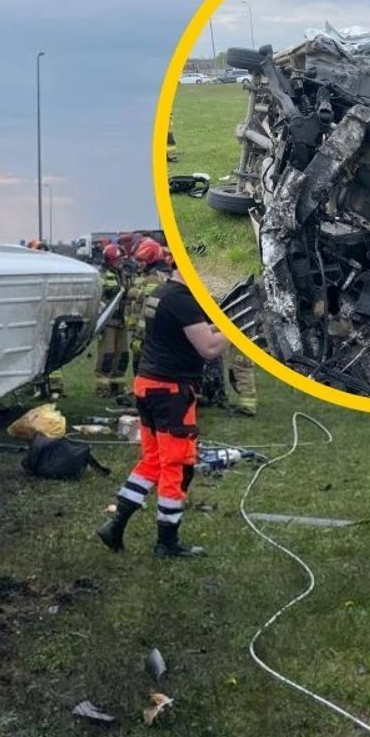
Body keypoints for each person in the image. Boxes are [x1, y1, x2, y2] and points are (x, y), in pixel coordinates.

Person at [96, 261, 230, 559]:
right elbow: (208, 349)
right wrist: (236, 331)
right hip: (171, 391)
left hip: (149, 384)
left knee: (153, 461)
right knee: (177, 466)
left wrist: (217, 326)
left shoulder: (163, 292)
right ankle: (166, 542)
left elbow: (188, 331)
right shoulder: (182, 299)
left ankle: (115, 524)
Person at [118, 239, 171, 405]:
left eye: (142, 262)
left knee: (142, 363)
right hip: (155, 331)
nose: (139, 265)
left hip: (148, 332)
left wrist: (139, 335)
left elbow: (146, 311)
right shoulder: (158, 276)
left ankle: (142, 394)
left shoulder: (153, 280)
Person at [92, 244, 132, 400]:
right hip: (108, 321)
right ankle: (102, 389)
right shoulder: (102, 275)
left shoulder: (124, 274)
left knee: (122, 356)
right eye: (118, 260)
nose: (121, 262)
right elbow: (100, 295)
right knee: (106, 356)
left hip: (122, 321)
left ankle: (117, 387)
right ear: (110, 260)